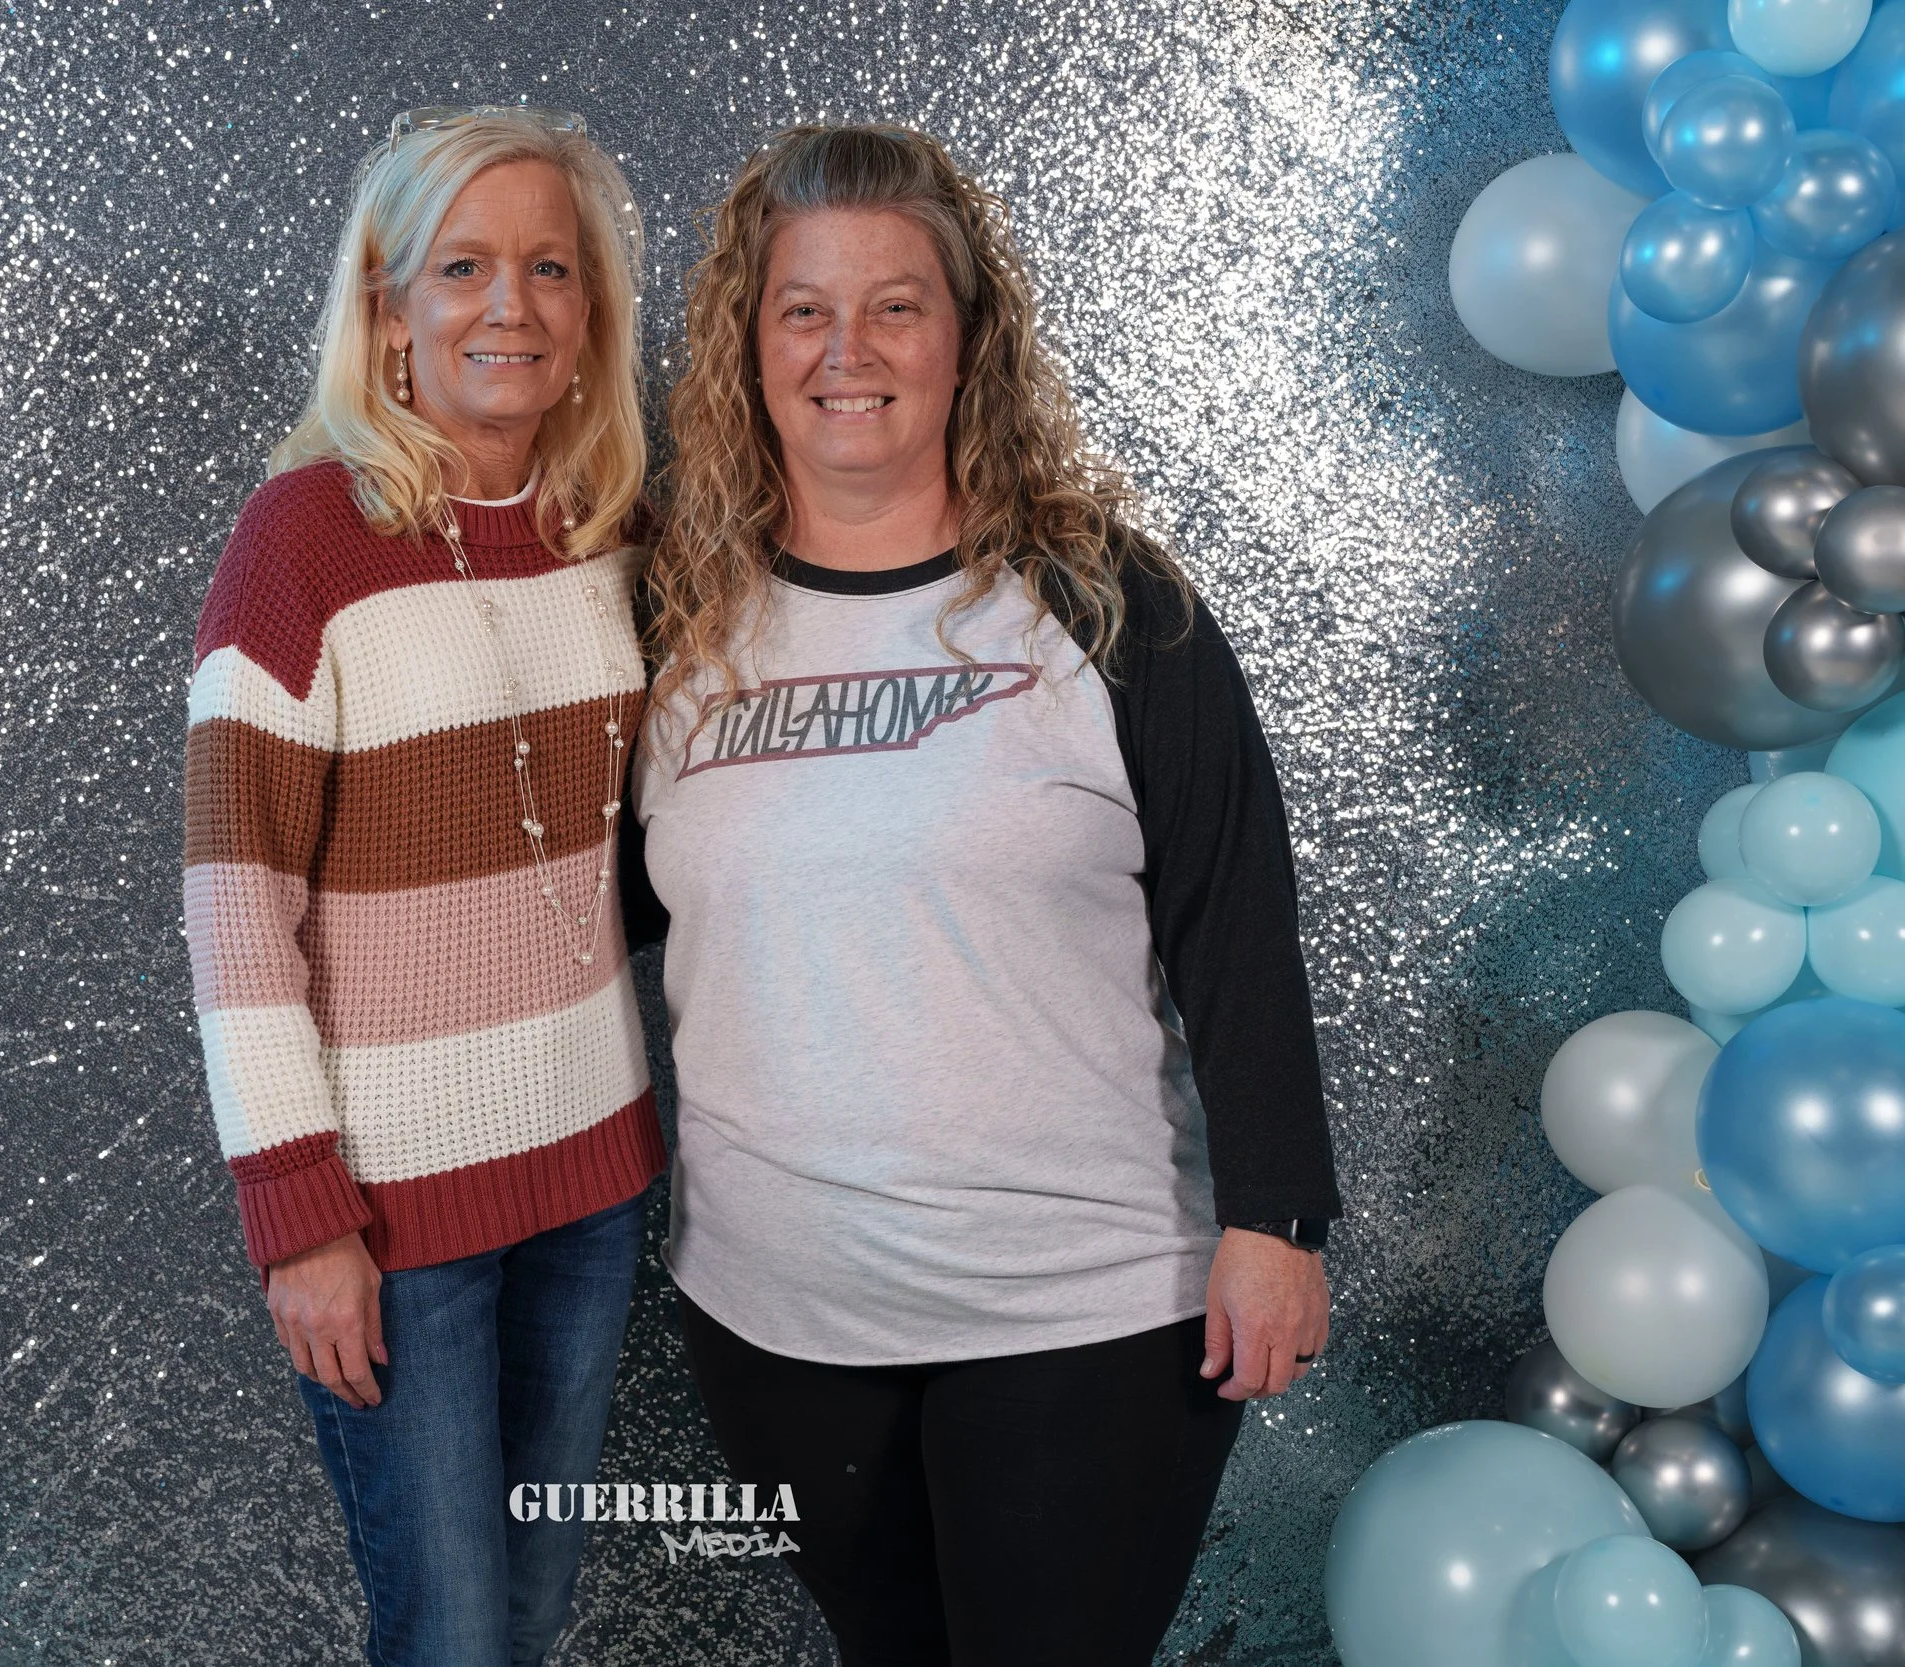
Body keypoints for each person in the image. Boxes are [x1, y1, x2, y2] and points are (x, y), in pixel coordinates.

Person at [633, 123, 1342, 1666]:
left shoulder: (1106, 601)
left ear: (969, 339)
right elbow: (588, 915)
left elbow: (1234, 918)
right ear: (748, 346)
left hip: (1084, 1306)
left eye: (896, 306)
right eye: (804, 309)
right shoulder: (674, 617)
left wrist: (1278, 1215)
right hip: (777, 1317)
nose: (847, 351)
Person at [180, 106, 664, 1666]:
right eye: (463, 268)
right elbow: (236, 913)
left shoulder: (613, 536)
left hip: (593, 1175)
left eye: (549, 268)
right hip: (396, 1214)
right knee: (451, 1635)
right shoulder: (303, 538)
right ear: (389, 311)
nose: (509, 304)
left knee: (530, 1609)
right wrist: (297, 1215)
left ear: (590, 316)